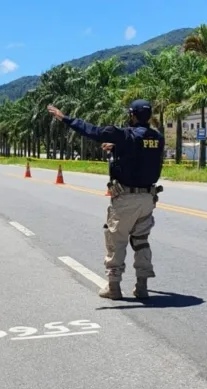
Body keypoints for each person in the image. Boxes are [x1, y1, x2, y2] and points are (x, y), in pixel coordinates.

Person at [47, 100, 164, 300]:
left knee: (116, 241)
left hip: (126, 197)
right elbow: (141, 154)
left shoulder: (126, 135)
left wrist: (65, 118)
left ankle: (114, 287)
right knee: (141, 241)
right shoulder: (157, 138)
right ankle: (142, 286)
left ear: (132, 115)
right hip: (147, 198)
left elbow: (93, 131)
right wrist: (116, 149)